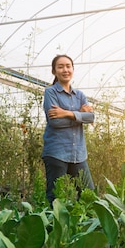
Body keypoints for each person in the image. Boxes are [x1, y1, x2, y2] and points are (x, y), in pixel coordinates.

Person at [42, 54, 95, 205]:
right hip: (56, 152)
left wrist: (67, 113)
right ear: (54, 71)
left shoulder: (80, 95)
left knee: (88, 195)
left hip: (78, 153)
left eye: (68, 66)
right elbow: (55, 122)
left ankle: (83, 227)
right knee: (55, 196)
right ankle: (52, 227)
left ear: (73, 69)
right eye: (60, 67)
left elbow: (91, 118)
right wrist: (80, 116)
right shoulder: (50, 92)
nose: (65, 70)